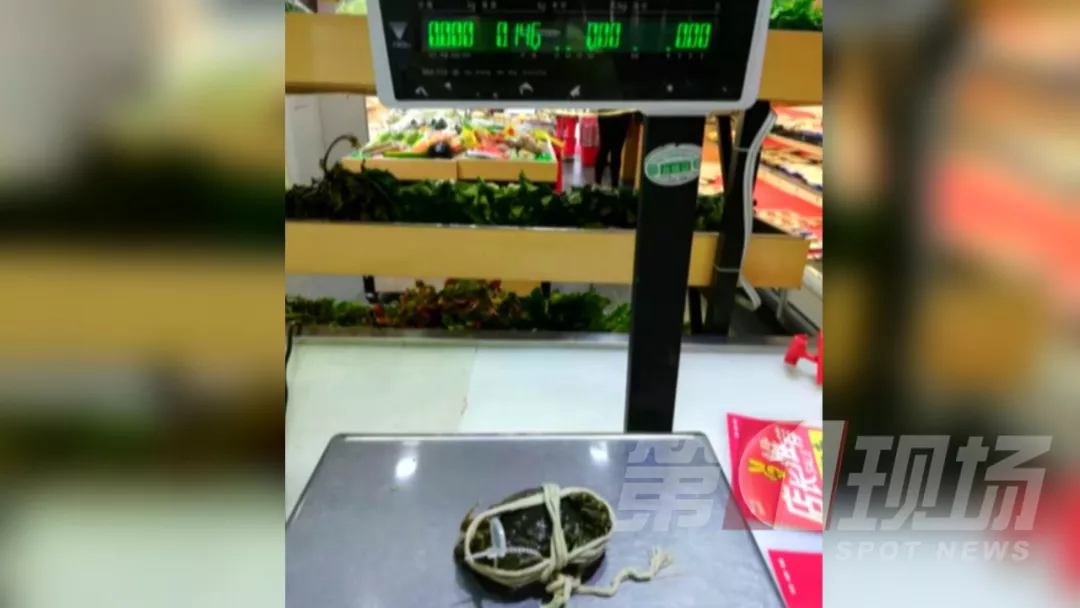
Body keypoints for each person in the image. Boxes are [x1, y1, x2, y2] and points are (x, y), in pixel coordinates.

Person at [594, 110, 634, 186]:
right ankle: (614, 185)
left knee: (604, 149)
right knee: (616, 152)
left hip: (607, 113)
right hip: (622, 116)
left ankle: (597, 183)